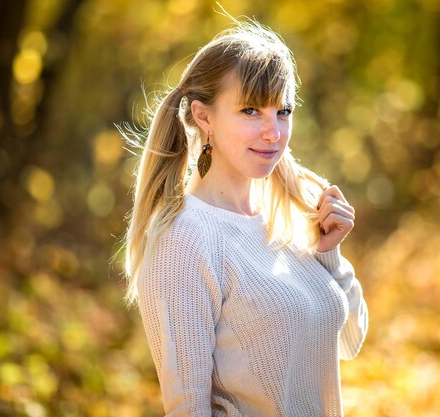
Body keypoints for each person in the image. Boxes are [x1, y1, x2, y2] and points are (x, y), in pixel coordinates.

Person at [120, 17, 369, 417]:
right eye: (251, 110)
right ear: (204, 118)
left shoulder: (287, 217)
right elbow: (187, 408)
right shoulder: (184, 240)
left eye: (283, 111)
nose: (274, 133)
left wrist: (329, 254)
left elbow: (349, 342)